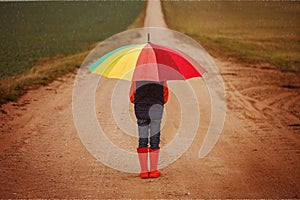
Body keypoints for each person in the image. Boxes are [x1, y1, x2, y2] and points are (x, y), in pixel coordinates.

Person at [129, 80, 169, 178]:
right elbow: (165, 96)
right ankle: (153, 170)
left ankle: (144, 171)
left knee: (142, 139)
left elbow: (132, 97)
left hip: (141, 111)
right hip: (156, 111)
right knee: (155, 138)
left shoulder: (137, 78)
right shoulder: (161, 77)